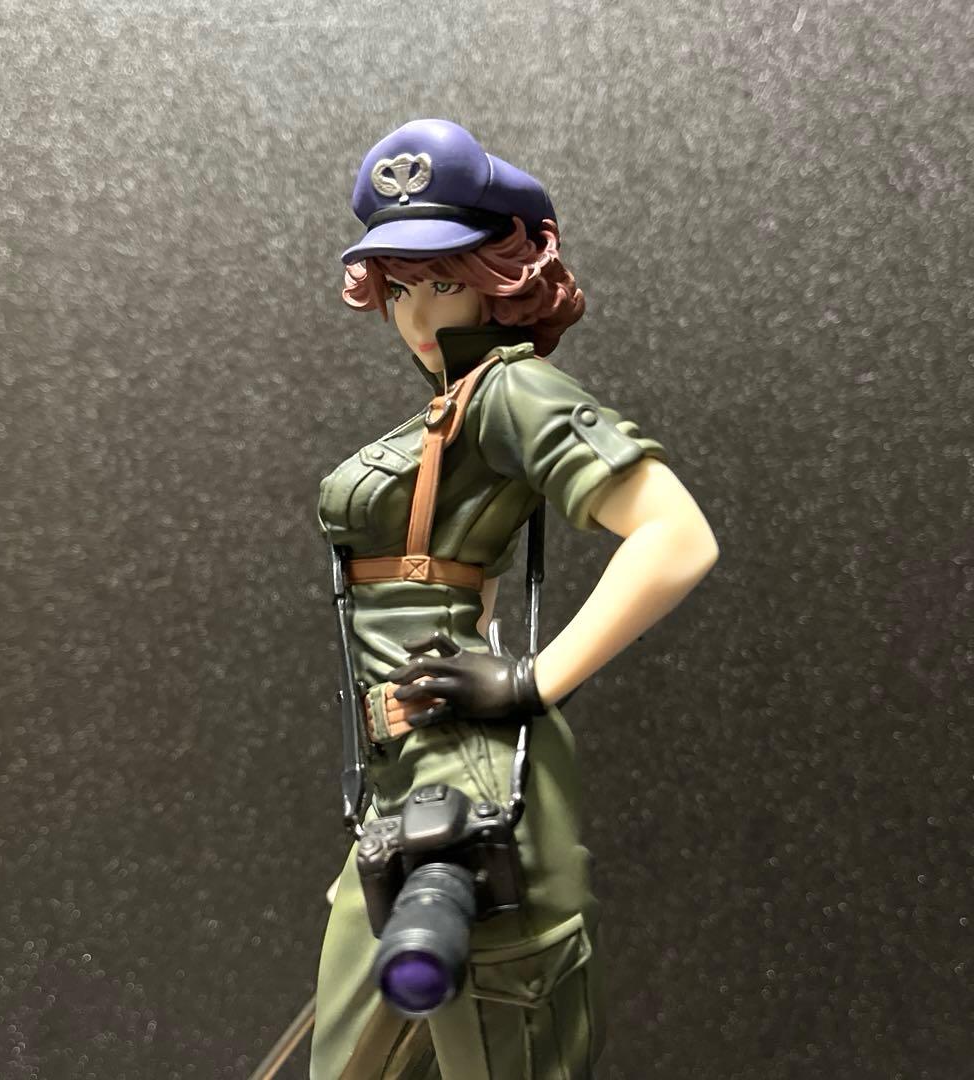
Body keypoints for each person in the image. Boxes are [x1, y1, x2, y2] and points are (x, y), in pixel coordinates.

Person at [311, 119, 719, 1079]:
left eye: (443, 281)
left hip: (470, 782)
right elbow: (467, 574)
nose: (418, 314)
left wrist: (533, 679)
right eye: (400, 287)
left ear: (500, 277)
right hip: (403, 772)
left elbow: (676, 536)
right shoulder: (454, 410)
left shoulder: (512, 390)